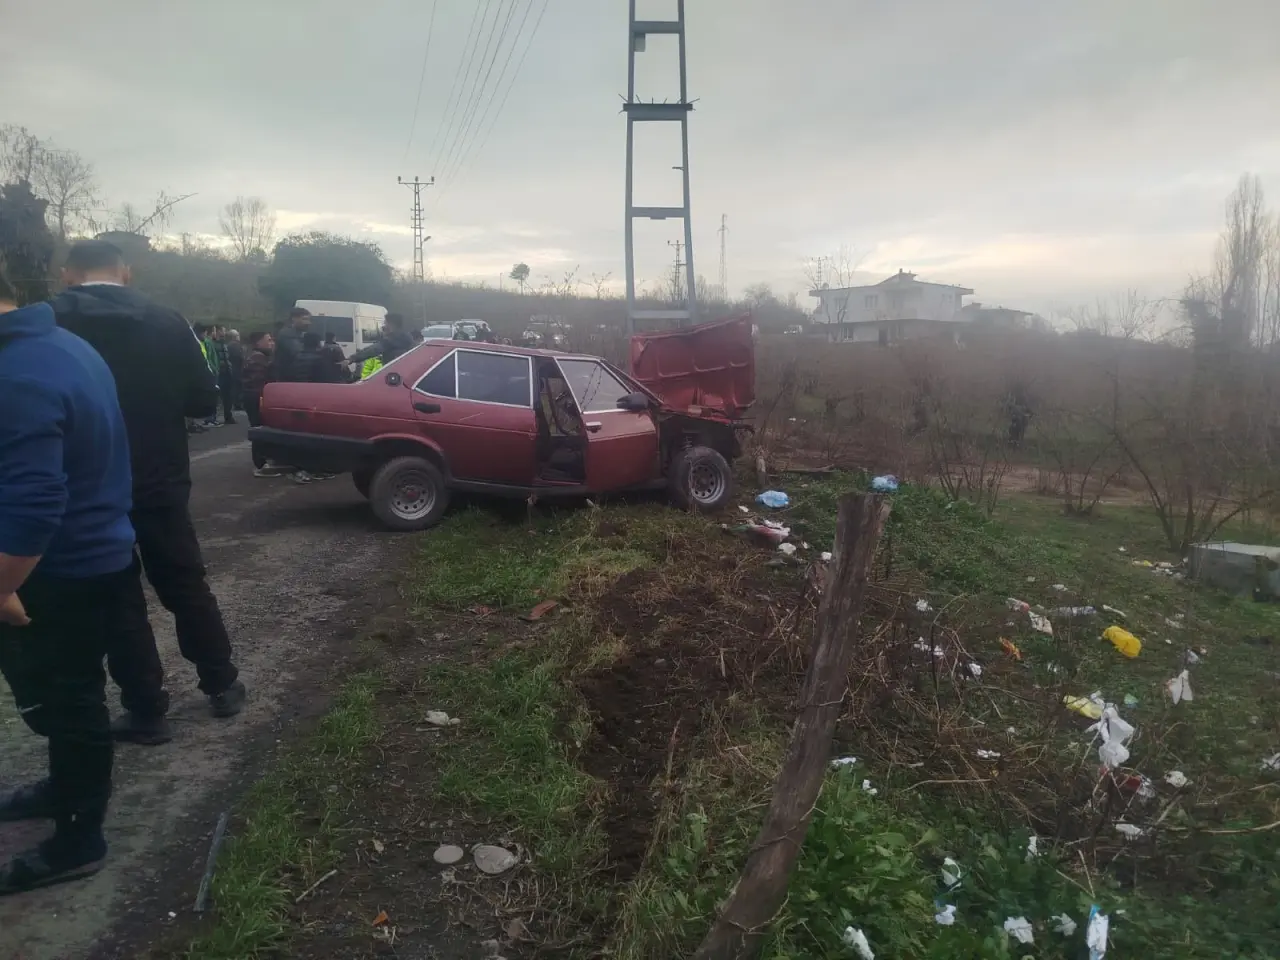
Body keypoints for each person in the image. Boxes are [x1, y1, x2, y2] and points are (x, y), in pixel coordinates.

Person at [52, 240, 247, 745]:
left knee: (118, 597)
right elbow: (203, 399)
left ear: (67, 274)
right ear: (127, 272)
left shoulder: (49, 323)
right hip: (159, 479)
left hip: (84, 487)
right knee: (184, 582)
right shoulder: (168, 322)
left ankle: (145, 709)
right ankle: (221, 683)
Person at [0, 257, 136, 893]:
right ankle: (64, 789)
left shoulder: (18, 372)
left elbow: (34, 504)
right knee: (69, 694)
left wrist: (2, 586)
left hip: (58, 570)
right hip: (93, 553)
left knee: (68, 698)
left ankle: (80, 838)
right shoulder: (62, 344)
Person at [241, 331, 283, 478]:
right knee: (259, 429)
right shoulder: (257, 358)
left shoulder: (257, 356)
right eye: (269, 340)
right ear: (258, 342)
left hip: (253, 397)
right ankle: (261, 464)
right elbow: (258, 382)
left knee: (260, 428)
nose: (272, 343)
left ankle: (263, 461)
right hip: (257, 398)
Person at [350, 312, 414, 375]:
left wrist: (352, 358)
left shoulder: (390, 340)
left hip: (394, 375)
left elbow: (373, 349)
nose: (383, 326)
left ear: (391, 325)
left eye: (385, 323)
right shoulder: (408, 338)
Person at [272, 307, 310, 383]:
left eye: (308, 320)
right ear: (294, 319)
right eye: (304, 319)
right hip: (287, 377)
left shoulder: (300, 334)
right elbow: (298, 352)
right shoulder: (287, 334)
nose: (308, 323)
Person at [226, 329, 245, 412]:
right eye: (238, 335)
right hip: (237, 368)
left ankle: (235, 403)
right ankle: (238, 404)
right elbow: (240, 357)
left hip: (232, 368)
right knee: (238, 387)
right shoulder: (235, 345)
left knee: (234, 387)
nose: (239, 336)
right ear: (234, 336)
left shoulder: (228, 345)